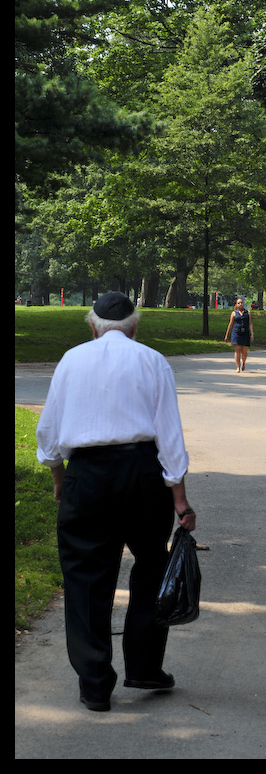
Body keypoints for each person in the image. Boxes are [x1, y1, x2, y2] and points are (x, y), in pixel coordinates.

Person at [36, 291, 195, 712]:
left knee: (86, 575)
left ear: (93, 327)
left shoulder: (71, 359)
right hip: (142, 473)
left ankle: (94, 684)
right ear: (134, 326)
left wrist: (59, 478)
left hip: (86, 474)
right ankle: (144, 666)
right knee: (151, 567)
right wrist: (179, 498)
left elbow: (49, 431)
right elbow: (168, 433)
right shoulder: (152, 360)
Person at [224, 297, 254, 372]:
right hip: (236, 333)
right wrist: (227, 335)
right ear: (236, 305)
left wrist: (252, 334)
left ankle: (243, 363)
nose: (240, 304)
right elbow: (230, 325)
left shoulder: (248, 313)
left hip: (245, 333)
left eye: (241, 303)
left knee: (244, 351)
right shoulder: (234, 313)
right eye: (239, 303)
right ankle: (238, 367)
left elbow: (250, 324)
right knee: (237, 350)